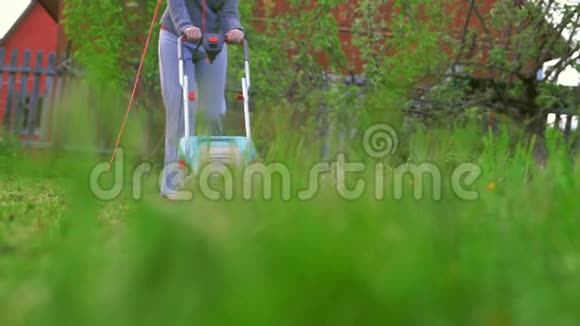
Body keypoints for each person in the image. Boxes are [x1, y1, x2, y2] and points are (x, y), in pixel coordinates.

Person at [158, 0, 244, 199]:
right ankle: (173, 186)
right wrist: (185, 26)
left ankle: (212, 181)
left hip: (213, 43)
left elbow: (229, 11)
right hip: (176, 39)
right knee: (181, 111)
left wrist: (235, 28)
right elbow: (176, 4)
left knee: (212, 112)